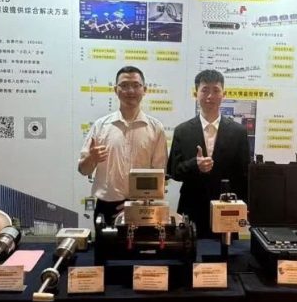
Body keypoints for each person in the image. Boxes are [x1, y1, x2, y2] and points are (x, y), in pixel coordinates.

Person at [78, 66, 167, 224]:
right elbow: (83, 170)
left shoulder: (155, 128)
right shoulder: (101, 126)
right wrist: (91, 158)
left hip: (142, 207)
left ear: (144, 90)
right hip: (107, 207)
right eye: (124, 85)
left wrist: (136, 204)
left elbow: (160, 173)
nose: (130, 91)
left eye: (136, 85)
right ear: (115, 90)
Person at [167, 69, 250, 236]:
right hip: (192, 208)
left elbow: (244, 175)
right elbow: (173, 171)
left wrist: (246, 206)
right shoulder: (182, 131)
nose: (210, 96)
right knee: (190, 250)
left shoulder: (238, 132)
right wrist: (194, 165)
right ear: (196, 93)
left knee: (227, 251)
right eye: (205, 90)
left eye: (216, 90)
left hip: (228, 209)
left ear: (224, 94)